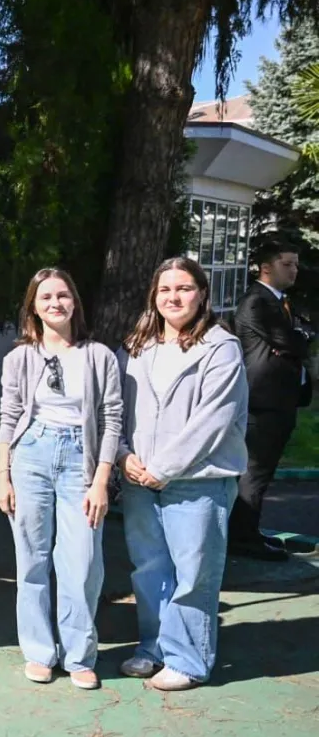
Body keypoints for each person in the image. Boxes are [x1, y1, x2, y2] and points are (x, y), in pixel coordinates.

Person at [117, 257, 248, 691]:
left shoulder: (221, 347)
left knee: (194, 573)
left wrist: (164, 468)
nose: (173, 297)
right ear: (154, 297)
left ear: (202, 294)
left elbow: (213, 421)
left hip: (197, 482)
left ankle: (189, 660)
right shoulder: (138, 345)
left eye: (184, 288)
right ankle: (154, 647)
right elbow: (115, 407)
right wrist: (122, 455)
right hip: (139, 480)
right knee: (149, 569)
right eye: (164, 290)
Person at [0, 268, 122, 689]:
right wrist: (3, 476)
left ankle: (79, 653)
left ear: (75, 303)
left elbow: (111, 418)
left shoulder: (98, 356)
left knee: (83, 561)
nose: (55, 303)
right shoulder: (19, 358)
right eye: (46, 297)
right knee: (31, 558)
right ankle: (39, 650)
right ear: (33, 306)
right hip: (30, 455)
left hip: (79, 462)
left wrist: (101, 479)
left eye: (63, 295)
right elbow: (9, 417)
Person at [230, 240, 312, 561]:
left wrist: (298, 339)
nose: (294, 270)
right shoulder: (256, 302)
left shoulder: (280, 303)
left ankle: (248, 531)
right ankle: (242, 539)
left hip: (280, 403)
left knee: (261, 475)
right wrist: (297, 339)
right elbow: (291, 341)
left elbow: (297, 340)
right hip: (262, 405)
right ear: (267, 267)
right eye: (287, 264)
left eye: (295, 264)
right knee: (253, 472)